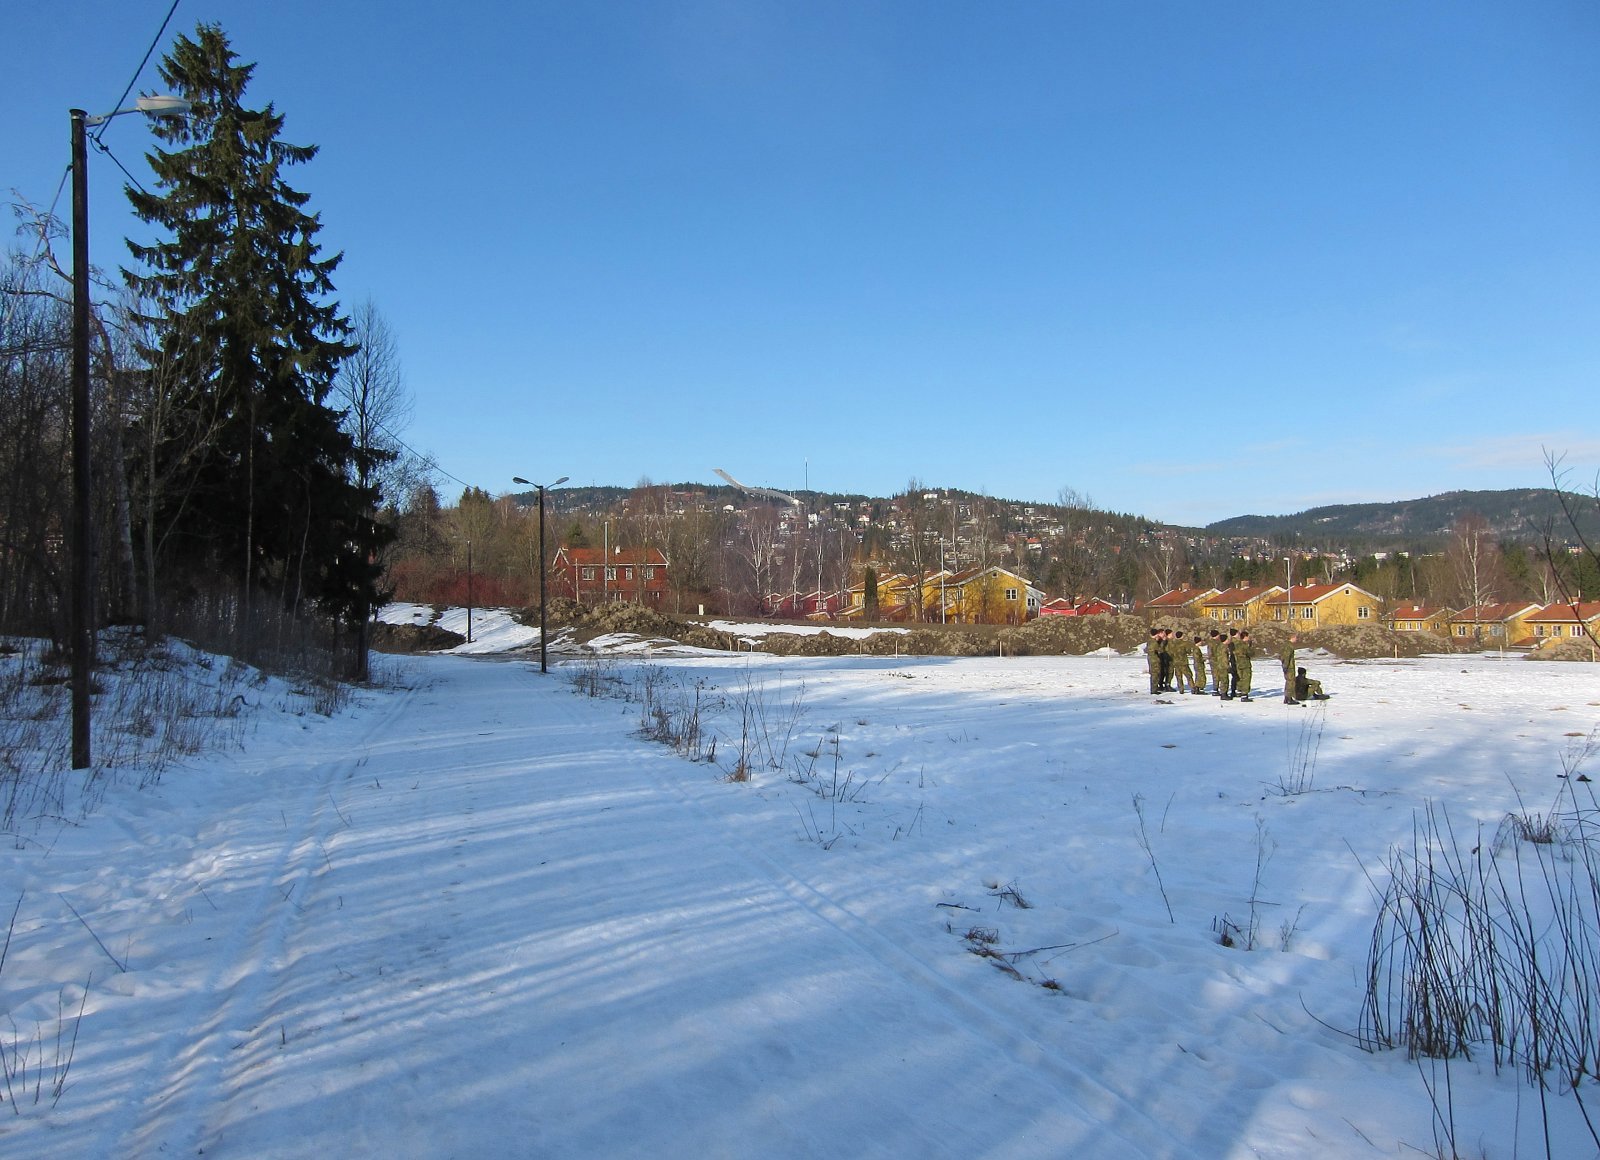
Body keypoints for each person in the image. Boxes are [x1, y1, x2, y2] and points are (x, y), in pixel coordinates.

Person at [1235, 629, 1255, 702]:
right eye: (1248, 637)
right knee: (1246, 679)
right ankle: (1244, 695)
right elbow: (1250, 653)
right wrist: (1250, 646)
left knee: (1241, 678)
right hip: (1245, 664)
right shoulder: (1245, 645)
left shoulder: (1237, 644)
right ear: (1245, 637)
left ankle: (1239, 691)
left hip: (1238, 663)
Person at [1280, 633, 1299, 704]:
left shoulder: (1284, 645)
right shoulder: (1289, 646)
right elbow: (1287, 657)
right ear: (1292, 637)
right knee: (1291, 682)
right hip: (1289, 667)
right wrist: (1286, 666)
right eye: (1296, 638)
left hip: (1287, 666)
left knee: (1288, 682)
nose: (1296, 639)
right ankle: (1289, 698)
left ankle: (1287, 698)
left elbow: (1280, 655)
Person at [1206, 630, 1226, 696]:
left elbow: (1209, 653)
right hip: (1217, 661)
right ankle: (1220, 689)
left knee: (1215, 676)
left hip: (1212, 661)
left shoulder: (1210, 642)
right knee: (1220, 676)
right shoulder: (1218, 642)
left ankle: (1215, 689)